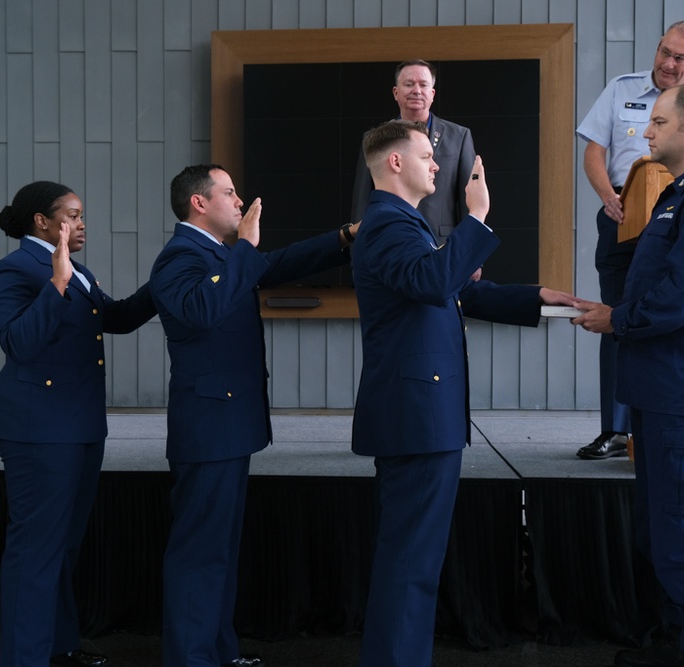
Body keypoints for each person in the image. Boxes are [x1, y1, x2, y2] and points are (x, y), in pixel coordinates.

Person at [350, 119, 577, 667]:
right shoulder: (388, 225)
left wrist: (535, 297)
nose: (438, 165)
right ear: (395, 164)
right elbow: (435, 282)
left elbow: (453, 291)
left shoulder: (407, 224)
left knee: (416, 561)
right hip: (416, 416)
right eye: (427, 157)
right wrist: (476, 216)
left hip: (422, 413)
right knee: (410, 562)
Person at [573, 84, 684, 667]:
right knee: (663, 528)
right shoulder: (679, 194)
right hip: (660, 385)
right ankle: (682, 640)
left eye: (657, 122)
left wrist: (615, 318)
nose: (644, 133)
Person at [150, 164, 357, 667]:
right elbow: (203, 309)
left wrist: (345, 238)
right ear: (199, 203)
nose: (240, 200)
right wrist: (244, 248)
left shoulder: (219, 254)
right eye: (229, 192)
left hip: (228, 426)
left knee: (219, 552)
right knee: (200, 554)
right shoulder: (179, 257)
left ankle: (217, 653)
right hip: (208, 429)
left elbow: (277, 263)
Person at [0, 181, 157, 667]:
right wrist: (57, 284)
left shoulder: (77, 271)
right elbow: (18, 342)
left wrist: (160, 285)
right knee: (36, 549)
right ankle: (24, 658)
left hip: (79, 425)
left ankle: (58, 647)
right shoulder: (14, 269)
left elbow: (116, 318)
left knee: (63, 546)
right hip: (36, 427)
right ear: (42, 221)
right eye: (73, 215)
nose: (82, 224)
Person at [574, 19, 684, 460]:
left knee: (671, 310)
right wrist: (607, 196)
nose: (669, 63)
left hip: (683, 216)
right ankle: (616, 429)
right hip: (623, 217)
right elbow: (594, 149)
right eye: (664, 52)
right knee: (617, 318)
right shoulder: (620, 88)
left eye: (680, 57)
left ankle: (662, 420)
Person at [351, 59, 475, 244]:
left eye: (423, 85)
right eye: (409, 84)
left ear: (432, 94)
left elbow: (469, 199)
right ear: (396, 92)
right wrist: (358, 253)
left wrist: (472, 255)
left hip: (442, 245)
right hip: (389, 242)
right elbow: (362, 199)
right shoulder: (375, 139)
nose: (416, 90)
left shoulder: (459, 136)